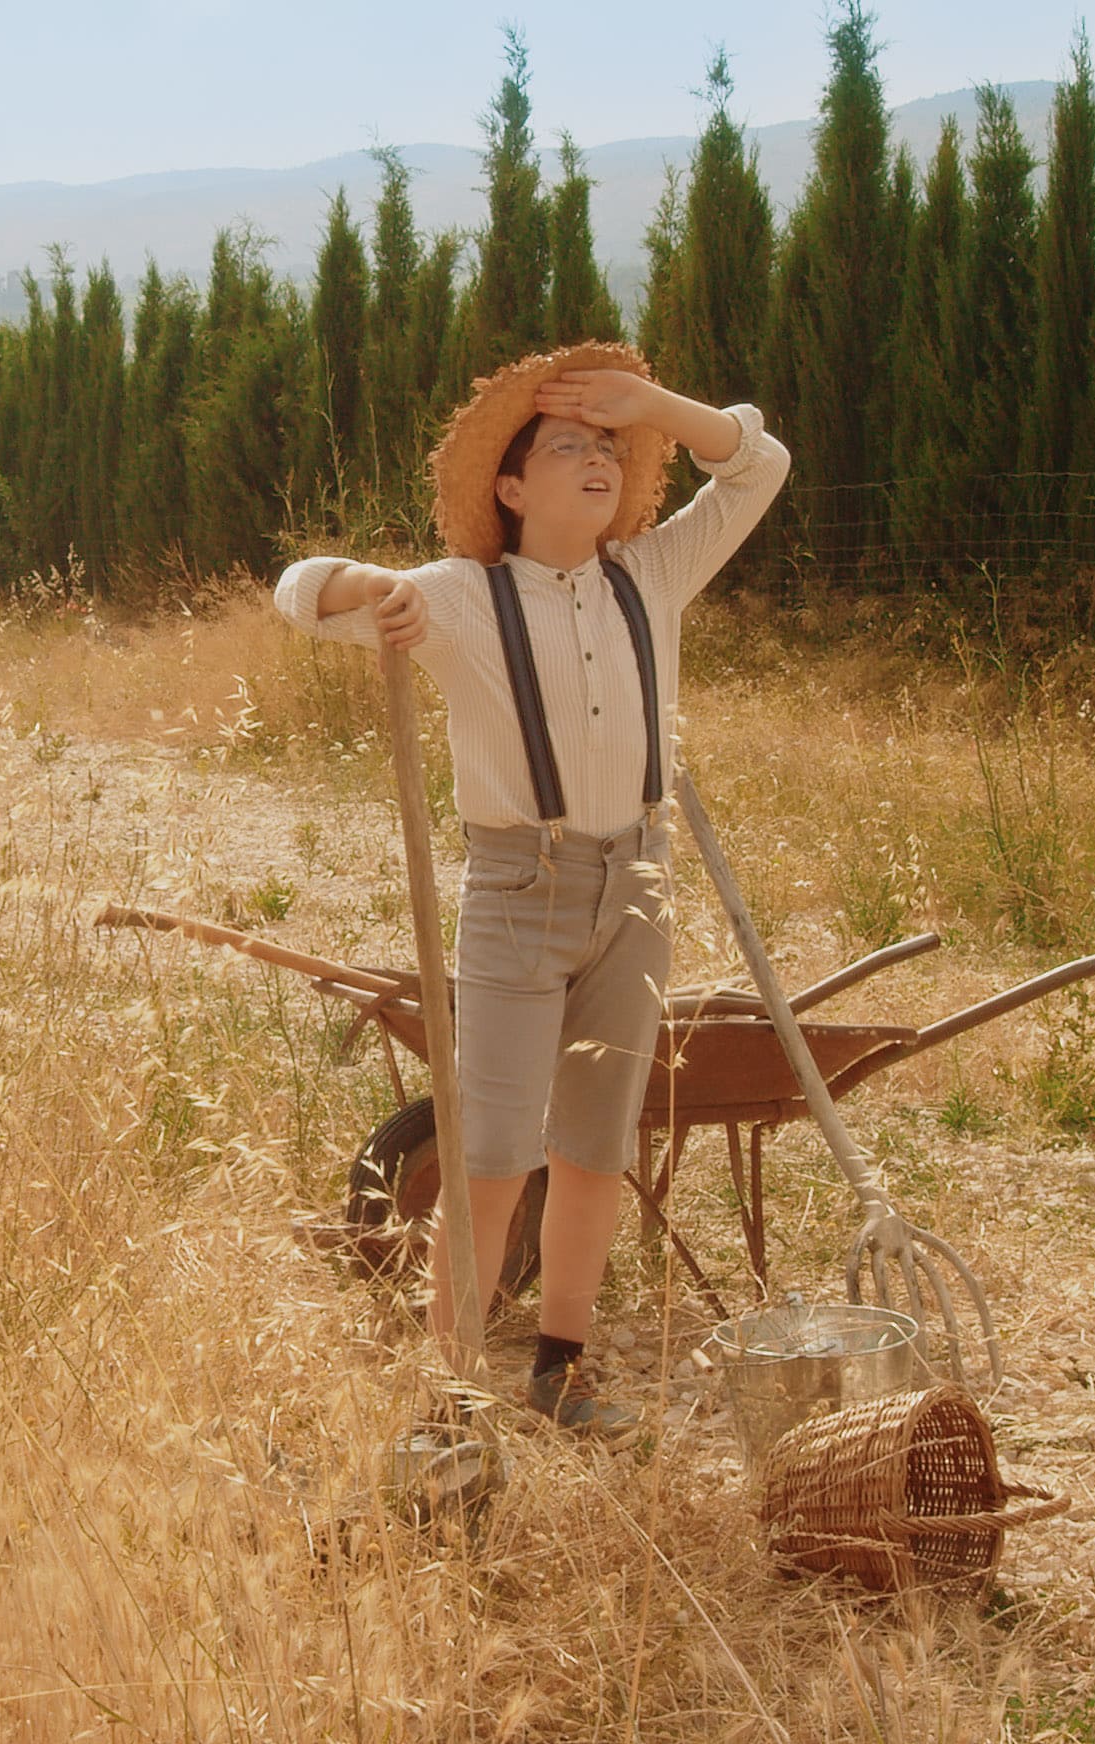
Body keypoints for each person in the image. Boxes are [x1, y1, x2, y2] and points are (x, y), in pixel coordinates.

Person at [272, 342, 789, 1432]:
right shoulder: (459, 597)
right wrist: (370, 588)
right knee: (493, 1155)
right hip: (519, 893)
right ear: (511, 488)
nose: (597, 459)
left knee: (595, 1148)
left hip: (635, 891)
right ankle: (447, 1401)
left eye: (608, 447)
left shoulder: (652, 573)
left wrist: (650, 403)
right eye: (568, 446)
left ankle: (559, 1369)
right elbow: (300, 593)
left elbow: (759, 465)